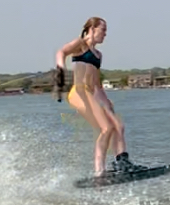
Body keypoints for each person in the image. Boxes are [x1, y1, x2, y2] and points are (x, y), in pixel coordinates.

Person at [55, 17, 145, 176]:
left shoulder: (98, 55)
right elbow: (61, 52)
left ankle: (122, 163)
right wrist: (61, 70)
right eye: (103, 30)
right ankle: (99, 171)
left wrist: (106, 103)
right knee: (106, 128)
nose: (105, 34)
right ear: (92, 29)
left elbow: (97, 85)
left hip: (90, 93)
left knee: (118, 126)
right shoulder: (80, 44)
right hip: (78, 93)